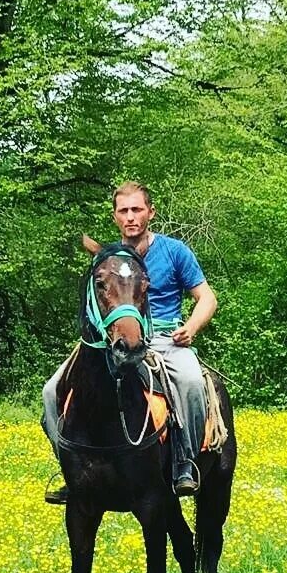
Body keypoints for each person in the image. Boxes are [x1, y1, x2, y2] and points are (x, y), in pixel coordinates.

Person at [42, 181, 217, 498]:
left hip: (164, 338)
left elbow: (206, 298)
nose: (130, 217)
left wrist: (191, 327)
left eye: (137, 209)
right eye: (123, 211)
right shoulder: (107, 259)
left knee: (191, 382)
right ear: (115, 217)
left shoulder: (175, 252)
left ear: (151, 212)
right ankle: (71, 468)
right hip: (111, 341)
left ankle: (184, 462)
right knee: (51, 390)